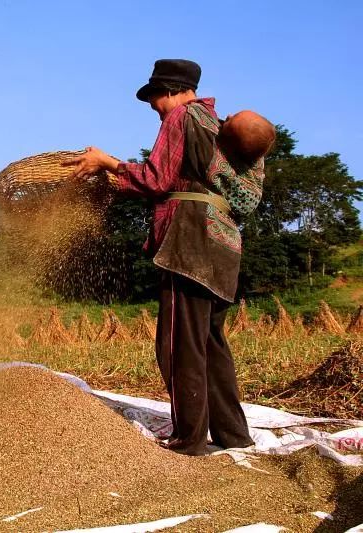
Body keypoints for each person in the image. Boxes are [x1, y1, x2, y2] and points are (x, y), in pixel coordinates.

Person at [64, 59, 274, 455]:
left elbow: (156, 179)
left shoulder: (182, 117)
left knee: (178, 346)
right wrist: (115, 179)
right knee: (210, 344)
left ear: (174, 91)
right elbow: (178, 182)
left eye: (155, 97)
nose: (153, 107)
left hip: (190, 243)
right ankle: (233, 435)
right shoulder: (217, 128)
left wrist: (107, 162)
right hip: (224, 247)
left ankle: (187, 439)